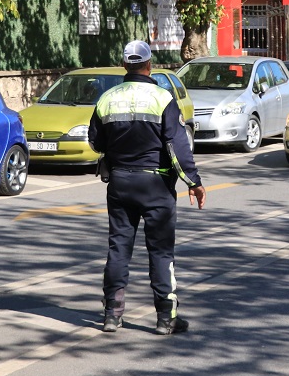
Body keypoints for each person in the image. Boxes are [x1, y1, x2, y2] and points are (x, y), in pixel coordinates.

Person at [88, 40, 207, 336]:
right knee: (161, 252)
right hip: (156, 185)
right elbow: (177, 145)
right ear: (149, 65)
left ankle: (111, 315)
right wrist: (193, 182)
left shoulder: (107, 99)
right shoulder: (163, 98)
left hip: (120, 183)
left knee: (118, 248)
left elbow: (95, 142)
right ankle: (166, 318)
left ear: (124, 66)